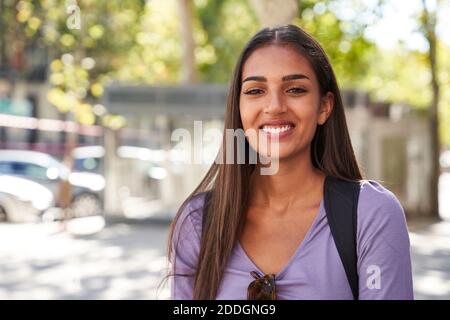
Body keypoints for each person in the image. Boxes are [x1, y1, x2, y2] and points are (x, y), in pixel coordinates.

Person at [168, 24, 413, 300]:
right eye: (255, 91)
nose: (274, 106)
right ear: (238, 108)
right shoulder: (198, 222)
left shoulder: (371, 213)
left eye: (295, 89)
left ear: (324, 106)